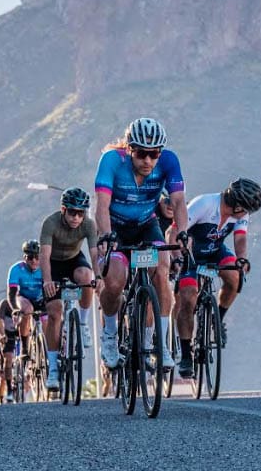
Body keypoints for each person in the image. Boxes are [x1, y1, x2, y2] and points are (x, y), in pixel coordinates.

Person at [94, 117, 188, 370]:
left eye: (154, 154)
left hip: (147, 225)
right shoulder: (113, 160)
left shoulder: (169, 161)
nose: (148, 160)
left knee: (161, 269)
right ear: (129, 149)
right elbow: (101, 205)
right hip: (116, 228)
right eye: (142, 154)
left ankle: (158, 344)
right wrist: (105, 235)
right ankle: (111, 336)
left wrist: (182, 234)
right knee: (114, 281)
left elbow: (178, 202)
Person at [174, 178, 261, 380]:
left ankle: (217, 318)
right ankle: (186, 354)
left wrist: (242, 259)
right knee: (188, 298)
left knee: (235, 276)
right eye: (246, 209)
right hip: (191, 254)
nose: (248, 214)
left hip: (215, 251)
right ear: (237, 204)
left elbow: (240, 238)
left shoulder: (241, 212)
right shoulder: (204, 204)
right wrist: (179, 259)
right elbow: (175, 232)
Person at [38, 186, 100, 393]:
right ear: (63, 209)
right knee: (55, 312)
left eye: (80, 213)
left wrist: (99, 276)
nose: (76, 217)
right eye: (72, 212)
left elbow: (93, 253)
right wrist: (47, 281)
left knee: (86, 276)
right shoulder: (51, 223)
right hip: (53, 265)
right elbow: (44, 257)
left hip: (74, 260)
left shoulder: (88, 225)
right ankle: (54, 368)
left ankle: (82, 323)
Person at [7, 240, 45, 363]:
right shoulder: (16, 269)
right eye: (30, 257)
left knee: (50, 318)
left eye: (37, 257)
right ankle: (24, 347)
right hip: (23, 298)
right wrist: (15, 310)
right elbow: (11, 293)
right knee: (27, 310)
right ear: (25, 258)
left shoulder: (45, 267)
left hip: (40, 298)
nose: (34, 260)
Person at [0, 297, 18, 401]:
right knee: (8, 359)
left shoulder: (25, 300)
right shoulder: (5, 303)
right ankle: (9, 388)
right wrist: (2, 334)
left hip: (22, 331)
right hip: (8, 334)